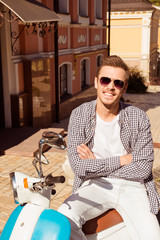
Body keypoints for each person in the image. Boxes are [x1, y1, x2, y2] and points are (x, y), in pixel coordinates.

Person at [58, 55, 160, 240]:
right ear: (97, 82)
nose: (111, 86)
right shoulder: (79, 115)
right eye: (105, 80)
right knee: (64, 218)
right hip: (95, 185)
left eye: (118, 83)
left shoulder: (138, 117)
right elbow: (79, 167)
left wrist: (96, 164)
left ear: (124, 88)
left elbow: (144, 169)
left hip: (133, 187)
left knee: (152, 236)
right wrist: (122, 160)